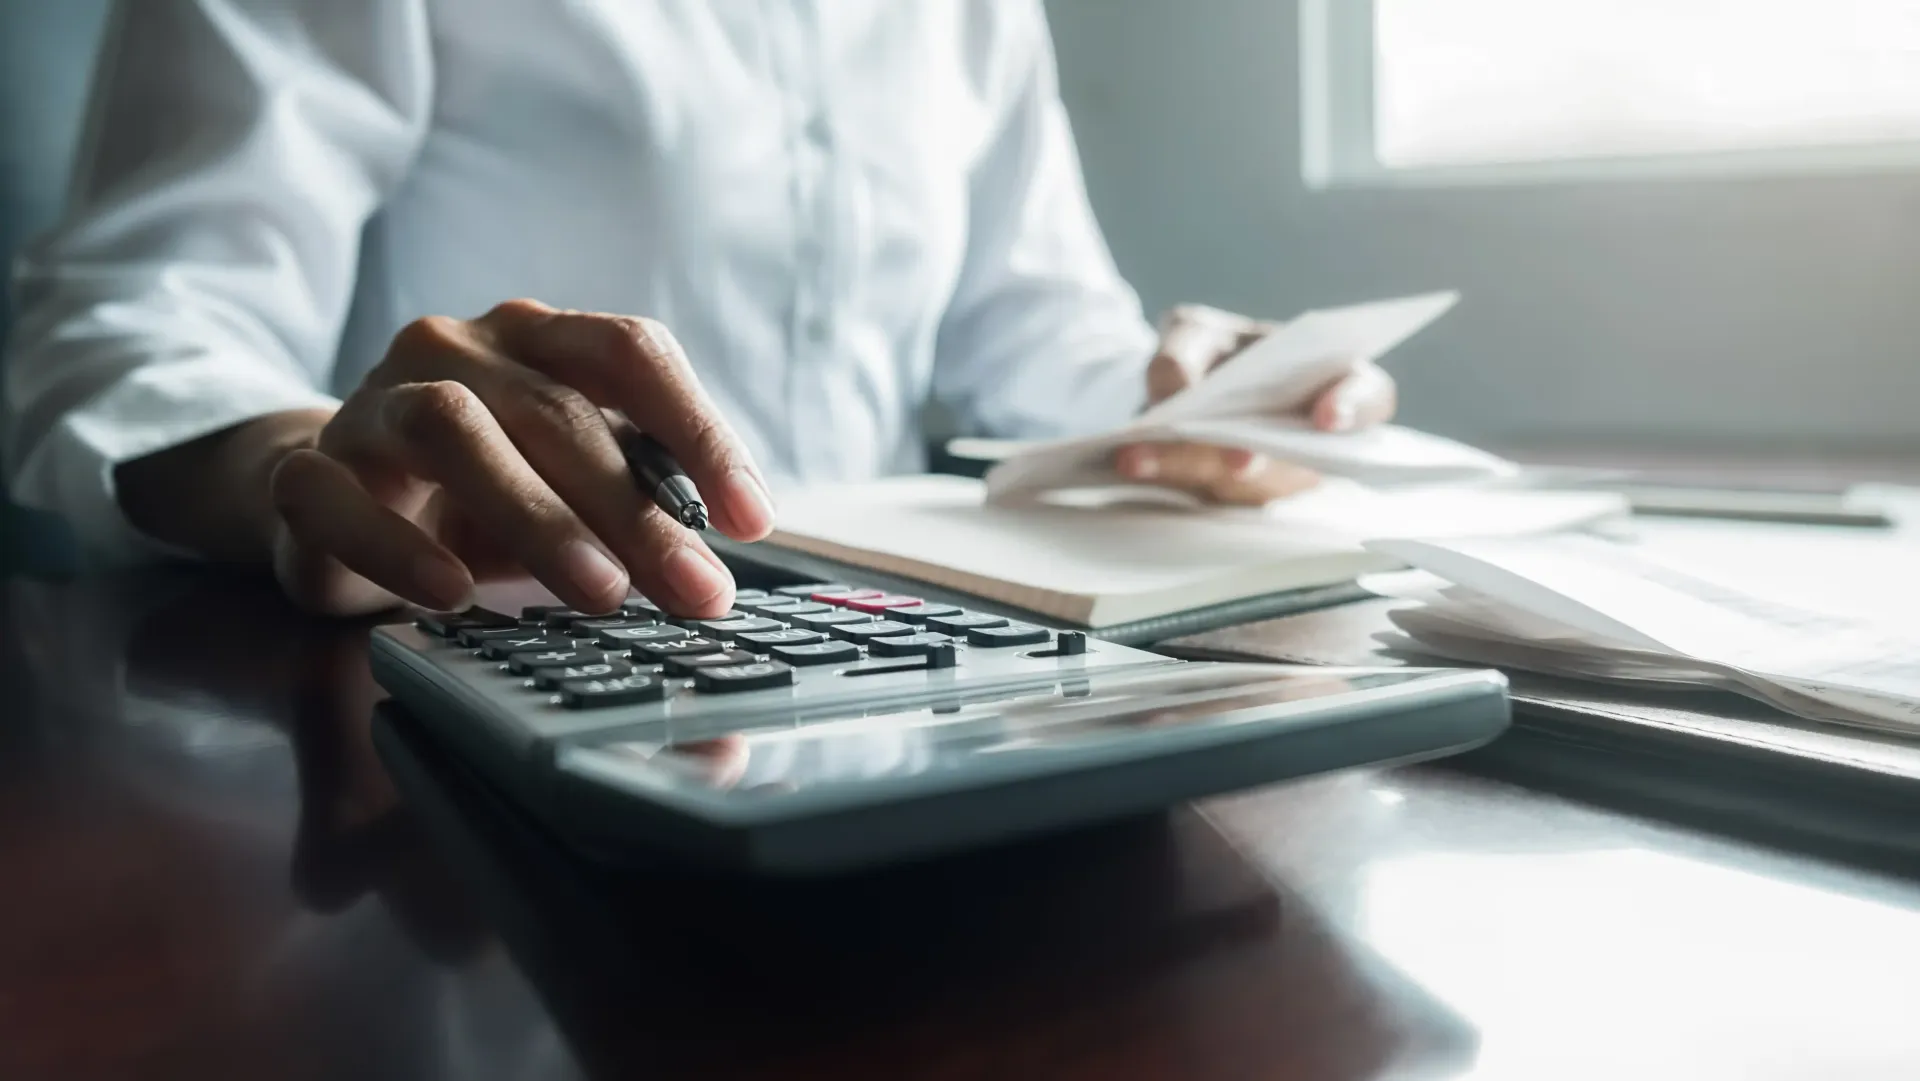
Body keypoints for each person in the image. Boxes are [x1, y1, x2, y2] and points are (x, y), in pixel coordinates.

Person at [2, 0, 1395, 620]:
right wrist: (311, 470)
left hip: (886, 666)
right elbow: (129, 326)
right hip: (481, 655)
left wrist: (1198, 406)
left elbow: (1030, 341)